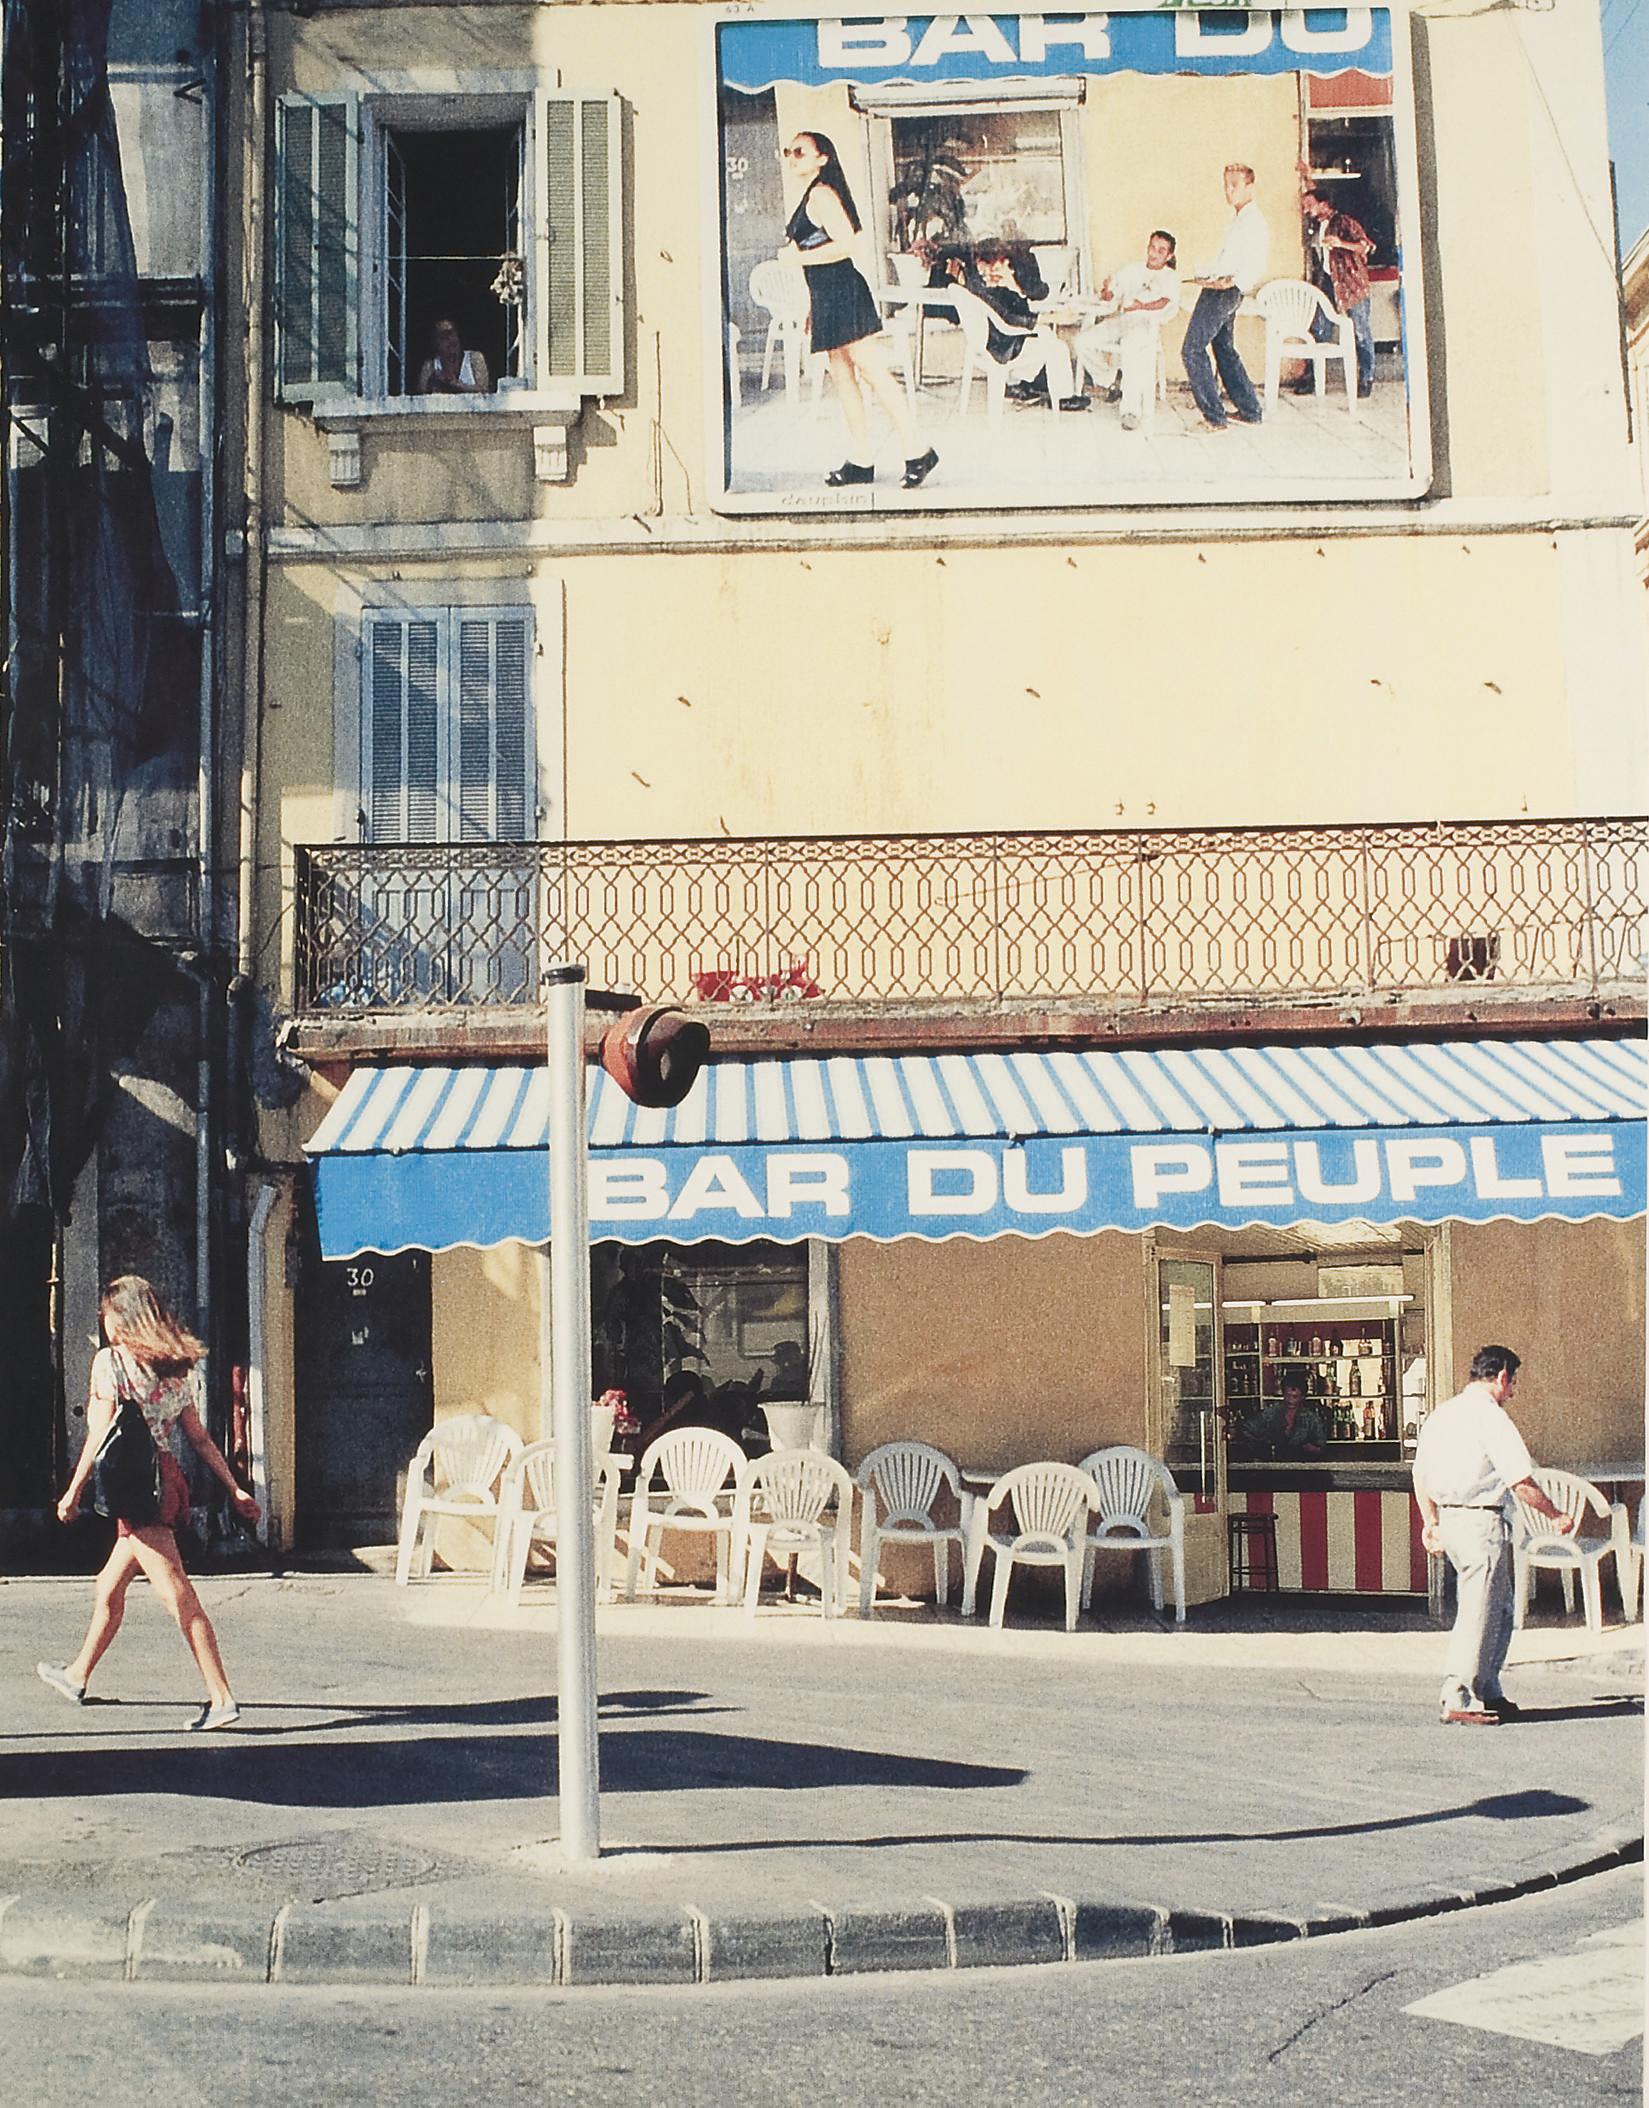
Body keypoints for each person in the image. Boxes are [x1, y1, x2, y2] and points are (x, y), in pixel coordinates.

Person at [37, 1276, 261, 1730]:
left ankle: (221, 1697)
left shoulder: (111, 1364)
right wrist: (233, 1487)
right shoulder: (177, 1367)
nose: (104, 1324)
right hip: (165, 1482)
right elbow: (196, 1437)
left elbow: (99, 1434)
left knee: (177, 1592)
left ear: (121, 1318)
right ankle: (77, 1674)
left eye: (107, 1315)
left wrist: (73, 1491)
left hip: (135, 1491)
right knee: (109, 1585)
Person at [1412, 1345, 1576, 1726]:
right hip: (1479, 1521)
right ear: (1501, 1376)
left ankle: (1487, 1687)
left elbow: (1420, 1474)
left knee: (1499, 1610)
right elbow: (1521, 1481)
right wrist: (1555, 1515)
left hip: (1451, 1521)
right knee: (1479, 1611)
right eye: (1513, 1382)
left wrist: (1430, 1521)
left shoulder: (1443, 1414)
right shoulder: (1491, 1417)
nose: (1513, 1391)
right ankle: (1459, 1694)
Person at [780, 131, 937, 490]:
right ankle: (860, 459)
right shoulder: (811, 193)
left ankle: (918, 449)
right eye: (789, 152)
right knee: (844, 378)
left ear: (822, 158)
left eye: (800, 151)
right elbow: (816, 260)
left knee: (871, 372)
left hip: (843, 291)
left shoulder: (821, 193)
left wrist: (796, 257)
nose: (792, 157)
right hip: (827, 296)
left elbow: (846, 244)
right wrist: (810, 306)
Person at [947, 242, 1089, 413]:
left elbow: (1041, 293)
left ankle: (1016, 385)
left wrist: (1013, 284)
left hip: (995, 342)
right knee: (1058, 347)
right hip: (1003, 345)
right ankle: (1063, 398)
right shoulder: (984, 289)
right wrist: (1055, 317)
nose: (987, 273)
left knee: (1046, 335)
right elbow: (1011, 319)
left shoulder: (989, 283)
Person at [1182, 163, 1269, 432]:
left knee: (1192, 349)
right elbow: (1229, 259)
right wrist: (1207, 275)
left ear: (1250, 187)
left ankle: (1214, 419)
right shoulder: (1239, 219)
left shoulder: (1254, 222)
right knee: (1224, 349)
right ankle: (1250, 410)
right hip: (1219, 287)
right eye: (1226, 185)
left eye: (1235, 185)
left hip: (1224, 293)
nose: (1228, 191)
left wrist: (1231, 282)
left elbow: (1255, 262)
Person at [1076, 229, 1181, 431]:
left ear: (1169, 256)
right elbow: (1111, 296)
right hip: (1122, 320)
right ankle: (1111, 380)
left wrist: (1141, 307)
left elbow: (1165, 303)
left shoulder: (1170, 277)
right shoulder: (1133, 269)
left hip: (1145, 325)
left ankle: (1130, 411)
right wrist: (1107, 291)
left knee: (1131, 347)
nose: (1154, 253)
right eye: (1152, 247)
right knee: (1082, 342)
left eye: (1161, 251)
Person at [1290, 190, 1375, 399]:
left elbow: (1366, 247)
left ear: (1324, 204)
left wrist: (1341, 243)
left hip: (1351, 284)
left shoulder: (1345, 223)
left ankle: (1366, 379)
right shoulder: (1315, 226)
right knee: (1319, 330)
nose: (1305, 209)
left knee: (1360, 332)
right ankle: (1312, 378)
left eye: (1310, 204)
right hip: (1328, 283)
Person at [1243, 1371, 1327, 1459]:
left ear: (1302, 1397)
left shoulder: (1311, 1419)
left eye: (1295, 1397)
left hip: (1301, 1467)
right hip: (1272, 1467)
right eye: (1288, 1395)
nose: (1290, 1400)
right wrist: (1260, 1449)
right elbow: (1247, 1429)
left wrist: (1312, 1449)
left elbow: (1322, 1448)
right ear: (1283, 1393)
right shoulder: (1270, 1413)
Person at [416, 317, 493, 396]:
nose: (450, 339)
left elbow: (484, 391)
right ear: (435, 342)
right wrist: (432, 383)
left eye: (452, 334)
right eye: (443, 337)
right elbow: (421, 395)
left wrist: (454, 385)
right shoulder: (430, 366)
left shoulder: (474, 358)